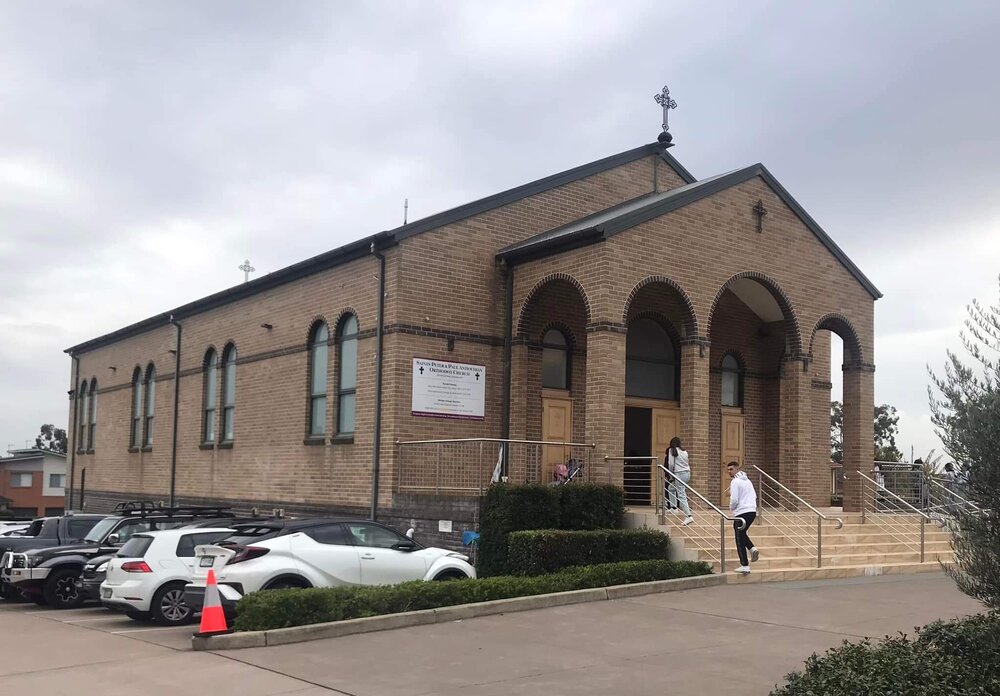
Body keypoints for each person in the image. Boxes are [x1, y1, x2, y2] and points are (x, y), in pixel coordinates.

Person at [727, 460, 758, 574]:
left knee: (739, 538)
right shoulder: (748, 481)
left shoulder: (735, 482)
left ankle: (744, 565)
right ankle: (752, 548)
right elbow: (754, 495)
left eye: (731, 469)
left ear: (737, 469)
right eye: (728, 470)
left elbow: (734, 499)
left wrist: (731, 508)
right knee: (741, 533)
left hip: (742, 512)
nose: (729, 471)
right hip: (751, 511)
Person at [666, 437, 694, 526]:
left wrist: (671, 474)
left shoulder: (671, 450)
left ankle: (688, 516)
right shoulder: (684, 451)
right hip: (687, 473)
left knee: (681, 494)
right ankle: (673, 508)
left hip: (679, 474)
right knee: (671, 488)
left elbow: (670, 464)